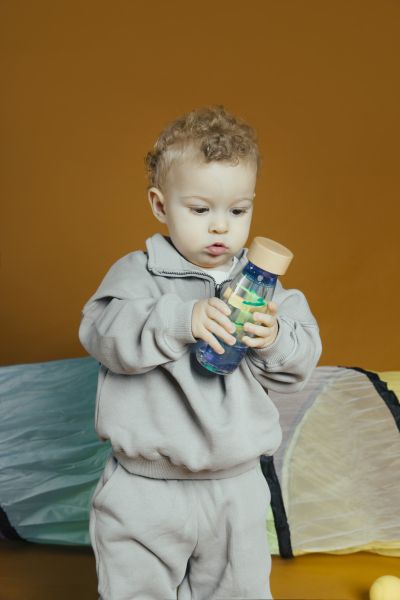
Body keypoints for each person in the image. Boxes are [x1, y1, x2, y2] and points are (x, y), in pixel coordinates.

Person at [78, 105, 322, 600]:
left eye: (238, 211)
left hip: (235, 488)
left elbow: (301, 362)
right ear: (160, 205)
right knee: (134, 590)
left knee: (237, 591)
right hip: (144, 487)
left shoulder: (267, 294)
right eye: (200, 209)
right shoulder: (137, 275)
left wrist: (273, 338)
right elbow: (101, 333)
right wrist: (180, 319)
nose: (220, 228)